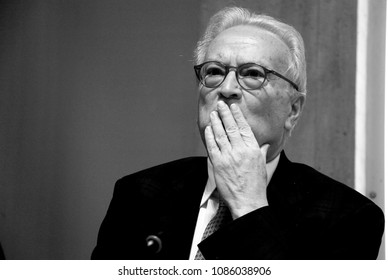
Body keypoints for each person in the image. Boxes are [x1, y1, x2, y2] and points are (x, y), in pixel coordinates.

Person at [91, 7, 384, 260]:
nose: (227, 88)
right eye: (215, 71)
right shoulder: (139, 193)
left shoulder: (348, 216)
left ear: (293, 110)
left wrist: (249, 206)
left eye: (253, 74)